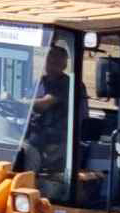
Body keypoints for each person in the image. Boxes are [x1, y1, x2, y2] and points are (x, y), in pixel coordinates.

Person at [23, 45, 88, 174]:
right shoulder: (40, 82)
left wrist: (19, 102)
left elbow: (45, 103)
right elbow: (26, 102)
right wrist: (12, 101)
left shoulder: (70, 83)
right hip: (34, 135)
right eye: (49, 59)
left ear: (64, 65)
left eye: (57, 61)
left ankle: (29, 181)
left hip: (57, 141)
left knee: (28, 154)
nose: (52, 64)